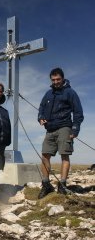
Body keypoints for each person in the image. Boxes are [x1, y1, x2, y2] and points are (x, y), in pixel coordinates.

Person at [38, 67, 84, 199]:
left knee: (64, 155)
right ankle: (46, 184)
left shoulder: (70, 92)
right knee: (45, 155)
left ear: (63, 78)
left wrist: (75, 129)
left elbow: (78, 112)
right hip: (49, 129)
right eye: (53, 80)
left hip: (65, 127)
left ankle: (62, 185)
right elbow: (41, 107)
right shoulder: (48, 94)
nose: (56, 82)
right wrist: (40, 117)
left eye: (58, 79)